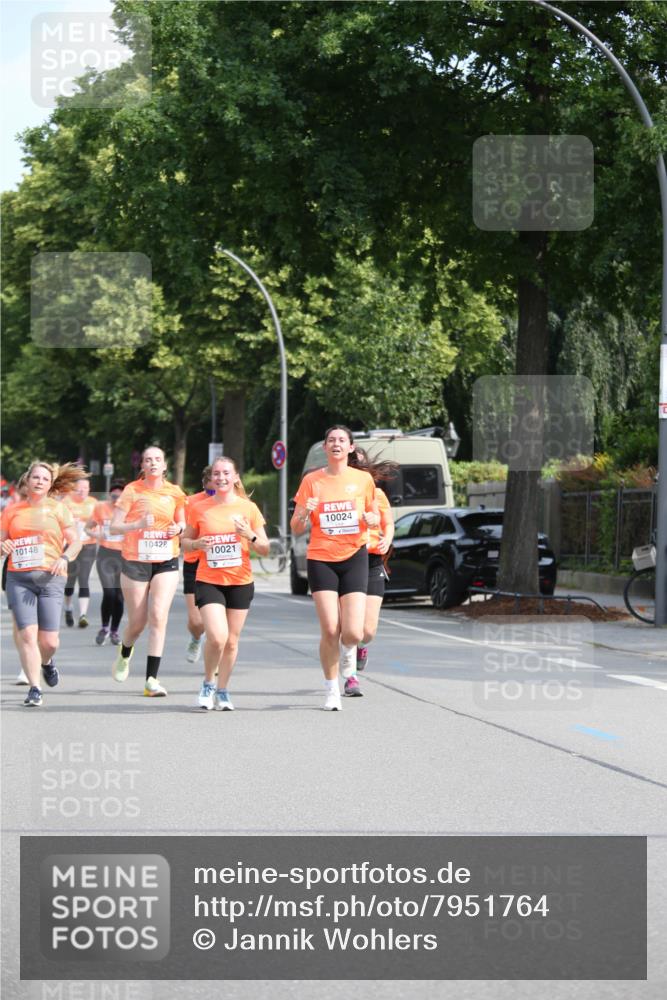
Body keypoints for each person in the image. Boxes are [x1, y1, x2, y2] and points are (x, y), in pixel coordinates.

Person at [291, 425, 379, 711]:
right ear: (325, 448)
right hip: (321, 557)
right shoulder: (312, 481)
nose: (336, 444)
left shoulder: (363, 480)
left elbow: (375, 516)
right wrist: (305, 511)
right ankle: (331, 689)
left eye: (342, 440)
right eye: (331, 440)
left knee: (352, 633)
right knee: (330, 628)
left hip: (354, 555)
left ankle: (349, 656)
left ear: (351, 447)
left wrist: (371, 519)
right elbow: (295, 528)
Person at [182, 456, 269, 711]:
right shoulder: (200, 508)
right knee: (217, 637)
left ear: (235, 477)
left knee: (231, 641)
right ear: (211, 478)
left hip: (241, 581)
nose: (221, 478)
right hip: (209, 579)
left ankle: (223, 690)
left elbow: (264, 548)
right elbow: (184, 542)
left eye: (226, 473)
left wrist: (249, 535)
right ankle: (208, 683)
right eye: (217, 474)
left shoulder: (248, 508)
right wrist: (196, 545)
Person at [1, 461, 83, 706]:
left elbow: (76, 541)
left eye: (44, 479)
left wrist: (65, 557)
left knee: (49, 642)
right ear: (26, 481)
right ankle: (35, 688)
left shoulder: (58, 509)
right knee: (27, 635)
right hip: (19, 578)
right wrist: (3, 546)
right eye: (35, 477)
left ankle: (47, 662)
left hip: (51, 577)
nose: (39, 481)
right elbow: (2, 540)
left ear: (49, 485)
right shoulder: (12, 511)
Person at [110, 446, 186, 697]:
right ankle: (125, 650)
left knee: (158, 615)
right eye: (147, 460)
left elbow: (182, 521)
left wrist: (179, 529)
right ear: (142, 466)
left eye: (157, 459)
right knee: (138, 622)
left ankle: (151, 680)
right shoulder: (132, 491)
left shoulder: (175, 492)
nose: (152, 463)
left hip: (166, 559)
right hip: (135, 561)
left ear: (165, 465)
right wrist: (138, 524)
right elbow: (115, 527)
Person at [341, 447, 396, 694]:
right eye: (354, 465)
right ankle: (350, 677)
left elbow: (388, 523)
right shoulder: (338, 493)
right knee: (350, 626)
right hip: (348, 559)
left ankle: (363, 646)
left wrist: (387, 539)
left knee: (367, 630)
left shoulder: (378, 494)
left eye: (361, 466)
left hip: (373, 560)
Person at [85, 480, 126, 646]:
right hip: (105, 554)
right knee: (109, 593)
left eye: (120, 497)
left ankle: (115, 631)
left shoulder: (129, 509)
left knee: (119, 597)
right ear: (110, 495)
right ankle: (104, 628)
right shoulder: (101, 508)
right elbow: (87, 528)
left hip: (125, 556)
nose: (116, 500)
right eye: (114, 496)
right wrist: (96, 536)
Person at [182, 465, 214, 664]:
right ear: (204, 484)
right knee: (196, 621)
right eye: (211, 487)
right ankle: (195, 638)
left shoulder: (234, 502)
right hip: (194, 562)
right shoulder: (192, 503)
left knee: (217, 620)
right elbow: (183, 531)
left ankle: (215, 655)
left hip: (220, 566)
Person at [62, 477, 98, 628]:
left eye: (86, 487)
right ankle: (68, 608)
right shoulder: (66, 502)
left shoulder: (94, 503)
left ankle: (83, 615)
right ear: (73, 488)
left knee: (83, 578)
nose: (83, 490)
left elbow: (100, 521)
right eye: (80, 487)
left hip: (88, 545)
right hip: (71, 545)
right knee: (70, 580)